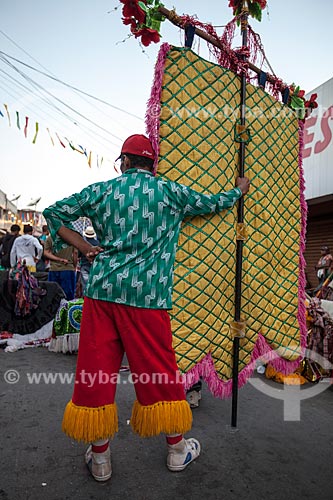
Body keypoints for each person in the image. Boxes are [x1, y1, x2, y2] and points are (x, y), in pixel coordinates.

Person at [43, 133, 250, 482]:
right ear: (151, 164)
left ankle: (100, 460)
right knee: (158, 373)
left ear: (123, 162)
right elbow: (214, 203)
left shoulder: (102, 191)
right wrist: (238, 191)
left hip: (102, 293)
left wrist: (84, 245)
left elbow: (54, 213)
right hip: (148, 298)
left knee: (96, 372)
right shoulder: (169, 191)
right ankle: (176, 450)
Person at [43, 236, 77, 300]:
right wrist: (74, 266)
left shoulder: (50, 238)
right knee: (68, 295)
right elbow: (75, 253)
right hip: (68, 268)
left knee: (53, 294)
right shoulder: (71, 238)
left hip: (54, 269)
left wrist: (59, 259)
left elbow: (46, 253)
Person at [79, 226, 100, 294]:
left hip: (84, 265)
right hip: (94, 266)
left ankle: (85, 298)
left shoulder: (82, 244)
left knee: (85, 284)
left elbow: (78, 254)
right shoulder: (97, 243)